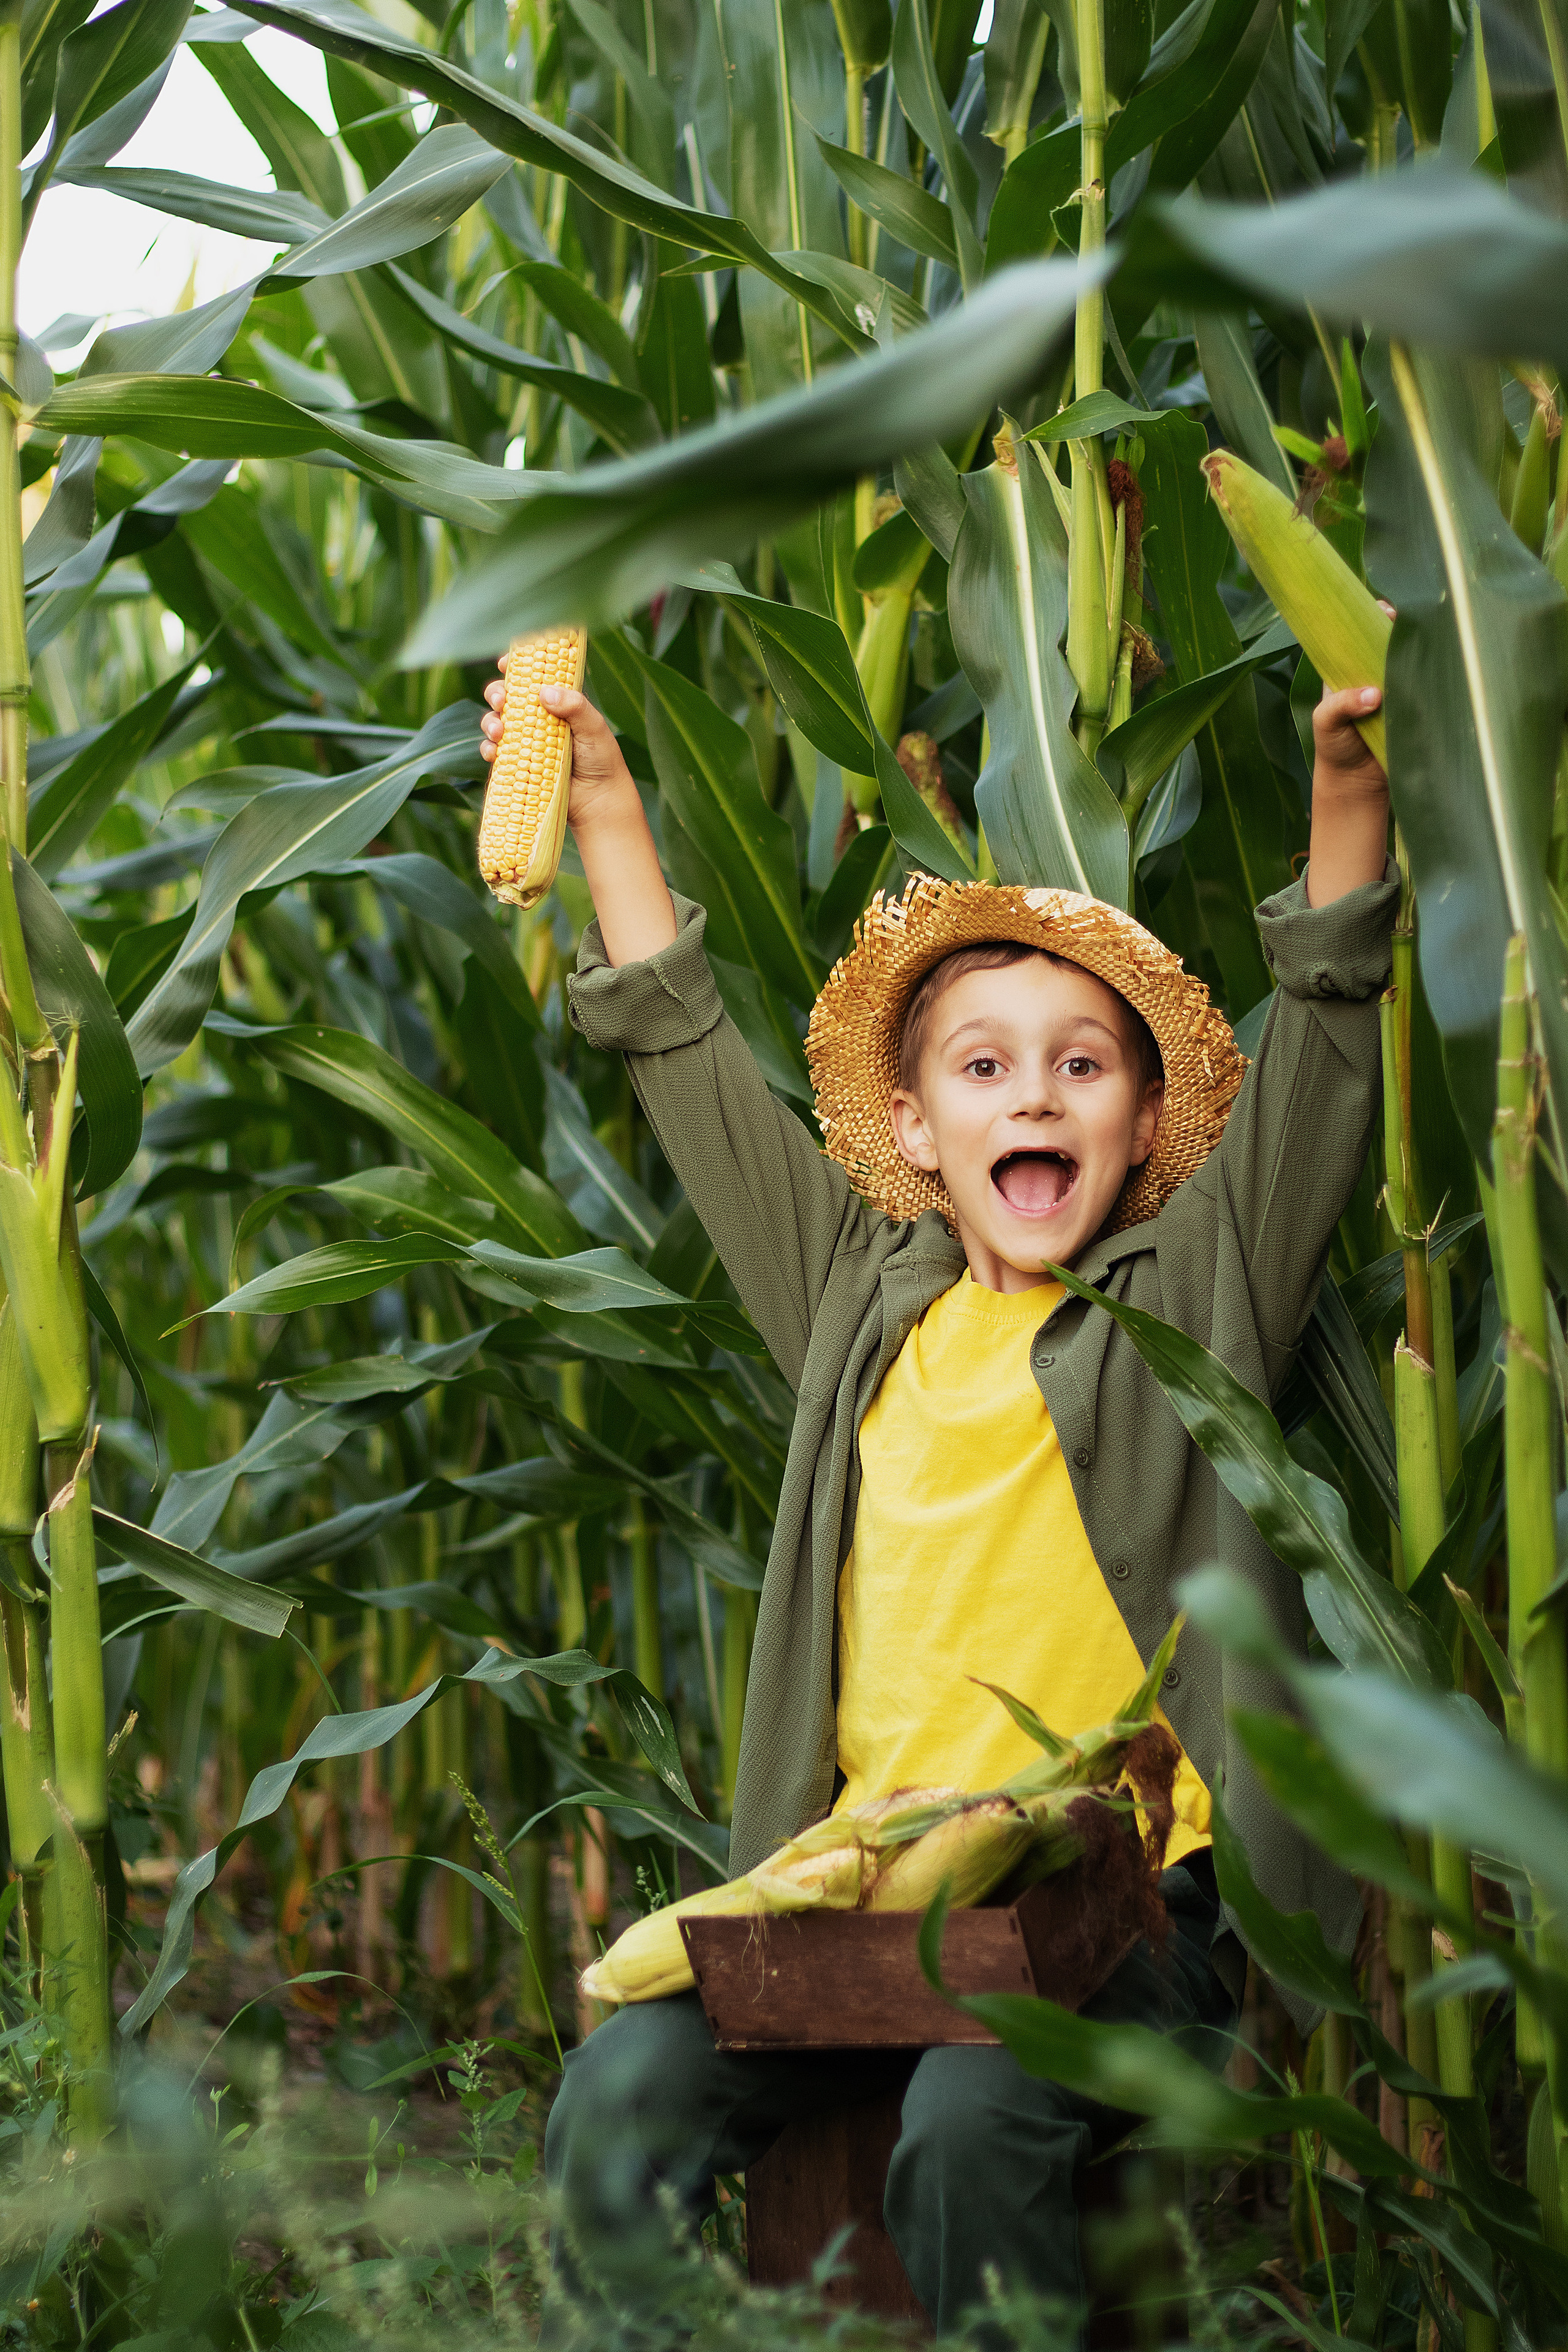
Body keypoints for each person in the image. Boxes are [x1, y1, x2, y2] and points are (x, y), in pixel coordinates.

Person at [479, 660, 1395, 2331]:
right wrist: (601, 800)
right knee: (614, 2102)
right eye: (982, 1067)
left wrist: (1349, 793)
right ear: (911, 1122)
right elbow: (680, 1046)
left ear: (1142, 1126)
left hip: (1126, 1902)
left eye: (1081, 1066)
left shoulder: (1193, 1295)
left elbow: (1329, 1035)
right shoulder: (852, 1297)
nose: (1032, 1094)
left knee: (973, 2129)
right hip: (869, 1888)